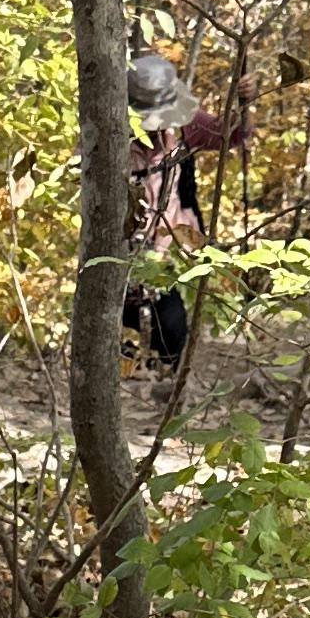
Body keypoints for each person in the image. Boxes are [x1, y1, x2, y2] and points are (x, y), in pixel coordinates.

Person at [123, 49, 242, 374]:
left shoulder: (185, 127)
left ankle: (166, 389)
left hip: (164, 253)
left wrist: (244, 103)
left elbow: (229, 135)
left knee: (173, 332)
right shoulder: (108, 135)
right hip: (115, 254)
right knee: (120, 338)